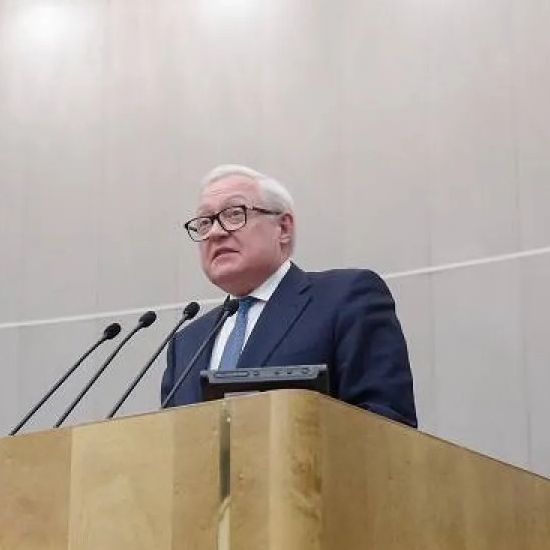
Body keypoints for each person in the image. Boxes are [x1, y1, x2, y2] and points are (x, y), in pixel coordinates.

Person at [160, 165, 417, 427]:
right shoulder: (187, 344)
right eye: (205, 223)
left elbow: (387, 424)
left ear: (283, 228)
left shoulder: (346, 298)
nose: (215, 232)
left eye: (234, 214)